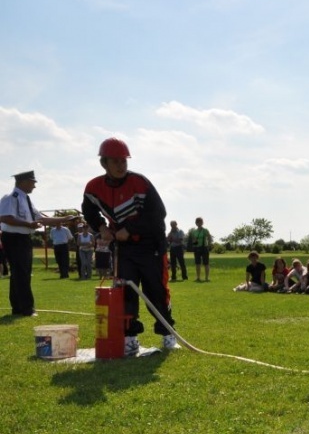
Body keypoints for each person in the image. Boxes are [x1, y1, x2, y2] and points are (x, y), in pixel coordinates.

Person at [82, 139, 177, 352]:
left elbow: (157, 213)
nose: (120, 165)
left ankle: (167, 334)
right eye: (115, 161)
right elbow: (89, 211)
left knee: (157, 292)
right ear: (104, 163)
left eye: (123, 160)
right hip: (124, 250)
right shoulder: (93, 187)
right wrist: (101, 228)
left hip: (151, 246)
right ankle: (130, 338)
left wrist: (131, 229)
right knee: (125, 293)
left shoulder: (140, 182)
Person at [1, 170, 75, 316]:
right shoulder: (11, 197)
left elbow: (41, 219)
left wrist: (65, 219)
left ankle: (18, 307)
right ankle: (26, 308)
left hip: (23, 238)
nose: (34, 186)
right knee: (21, 272)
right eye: (32, 182)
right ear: (23, 182)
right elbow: (4, 218)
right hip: (14, 238)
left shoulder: (26, 199)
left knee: (21, 272)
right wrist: (28, 224)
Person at [187, 217, 212, 282]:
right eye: (198, 222)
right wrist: (195, 246)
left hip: (204, 248)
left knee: (206, 263)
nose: (200, 223)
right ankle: (198, 277)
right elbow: (194, 240)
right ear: (196, 223)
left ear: (202, 222)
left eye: (201, 222)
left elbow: (209, 238)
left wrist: (209, 246)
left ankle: (206, 277)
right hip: (197, 248)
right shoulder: (194, 231)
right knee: (197, 263)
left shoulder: (205, 230)